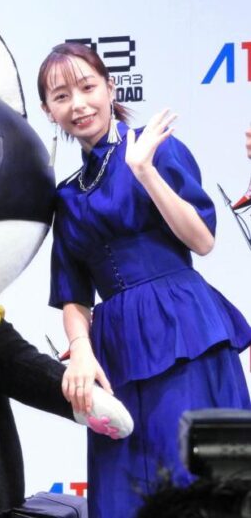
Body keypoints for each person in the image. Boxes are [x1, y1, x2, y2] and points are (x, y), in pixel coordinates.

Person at [37, 42, 251, 518]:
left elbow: (202, 240)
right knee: (124, 495)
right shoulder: (66, 196)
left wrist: (145, 172)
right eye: (62, 96)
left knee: (199, 486)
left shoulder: (156, 148)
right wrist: (81, 351)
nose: (79, 104)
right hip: (115, 354)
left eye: (88, 87)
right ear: (49, 111)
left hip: (183, 335)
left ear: (110, 88)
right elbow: (72, 293)